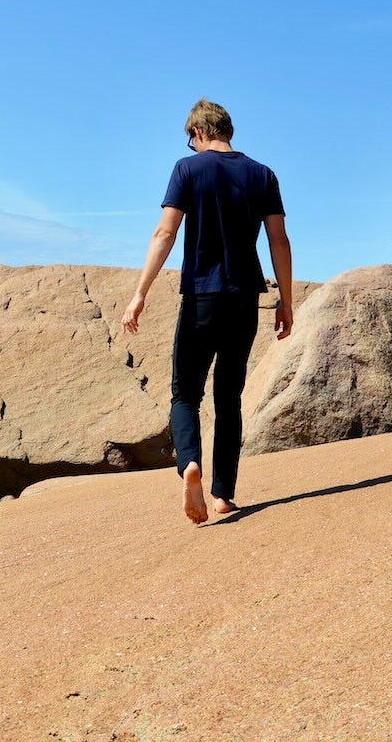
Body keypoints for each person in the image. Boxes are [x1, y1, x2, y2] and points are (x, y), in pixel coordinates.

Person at [121, 99, 293, 524]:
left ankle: (190, 464)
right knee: (228, 398)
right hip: (244, 299)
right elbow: (279, 240)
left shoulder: (187, 169)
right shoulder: (262, 174)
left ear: (198, 132)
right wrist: (286, 301)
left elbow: (165, 232)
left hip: (201, 297)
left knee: (185, 394)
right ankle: (223, 495)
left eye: (190, 139)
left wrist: (140, 293)